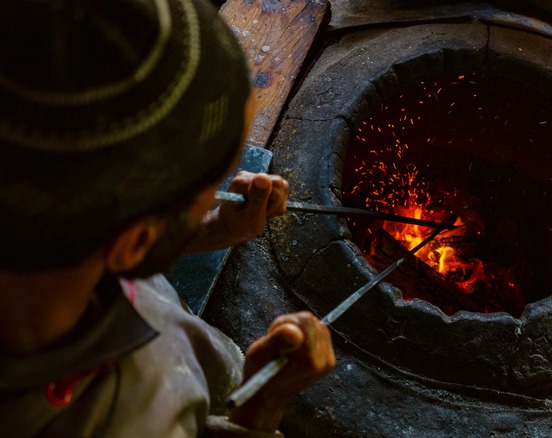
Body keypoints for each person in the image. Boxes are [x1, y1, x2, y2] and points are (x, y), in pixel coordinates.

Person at [0, 0, 335, 436]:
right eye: (214, 180)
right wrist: (261, 407)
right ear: (136, 243)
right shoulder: (140, 420)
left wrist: (206, 228)